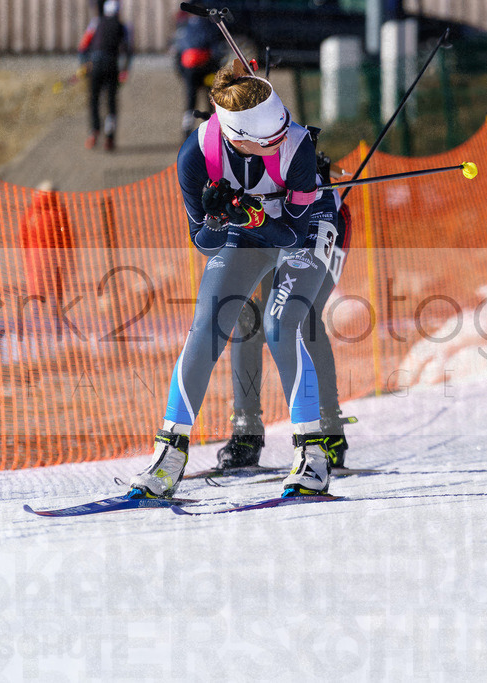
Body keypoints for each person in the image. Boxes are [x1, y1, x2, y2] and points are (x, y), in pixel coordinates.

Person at [129, 60, 341, 498]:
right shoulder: (196, 155)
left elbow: (293, 234)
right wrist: (217, 214)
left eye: (283, 129)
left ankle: (313, 454)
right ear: (237, 138)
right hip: (248, 230)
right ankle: (169, 452)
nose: (282, 140)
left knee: (281, 325)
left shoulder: (295, 146)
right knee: (208, 324)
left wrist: (247, 212)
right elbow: (203, 242)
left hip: (309, 223)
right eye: (271, 140)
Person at [216, 155, 355, 470]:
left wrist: (318, 165)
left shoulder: (281, 140)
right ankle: (246, 432)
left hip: (317, 222)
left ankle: (328, 430)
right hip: (265, 229)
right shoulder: (219, 153)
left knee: (302, 319)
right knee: (248, 320)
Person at [18, 181, 74, 336]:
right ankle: (57, 332)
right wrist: (70, 261)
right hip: (57, 259)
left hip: (36, 260)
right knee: (56, 298)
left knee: (37, 297)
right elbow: (68, 238)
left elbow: (23, 239)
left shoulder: (30, 214)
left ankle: (35, 333)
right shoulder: (60, 213)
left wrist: (26, 261)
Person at [79, 0, 133, 152]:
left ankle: (94, 131)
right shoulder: (123, 27)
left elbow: (83, 46)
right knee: (110, 102)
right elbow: (128, 51)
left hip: (95, 65)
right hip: (112, 66)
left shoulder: (95, 23)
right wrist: (125, 70)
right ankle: (109, 136)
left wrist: (84, 64)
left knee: (94, 100)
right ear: (118, 12)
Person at [172, 1, 227, 138]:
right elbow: (217, 51)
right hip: (207, 70)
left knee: (190, 101)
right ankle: (212, 130)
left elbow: (178, 53)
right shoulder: (210, 26)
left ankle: (186, 129)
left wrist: (182, 72)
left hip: (190, 71)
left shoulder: (183, 28)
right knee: (211, 100)